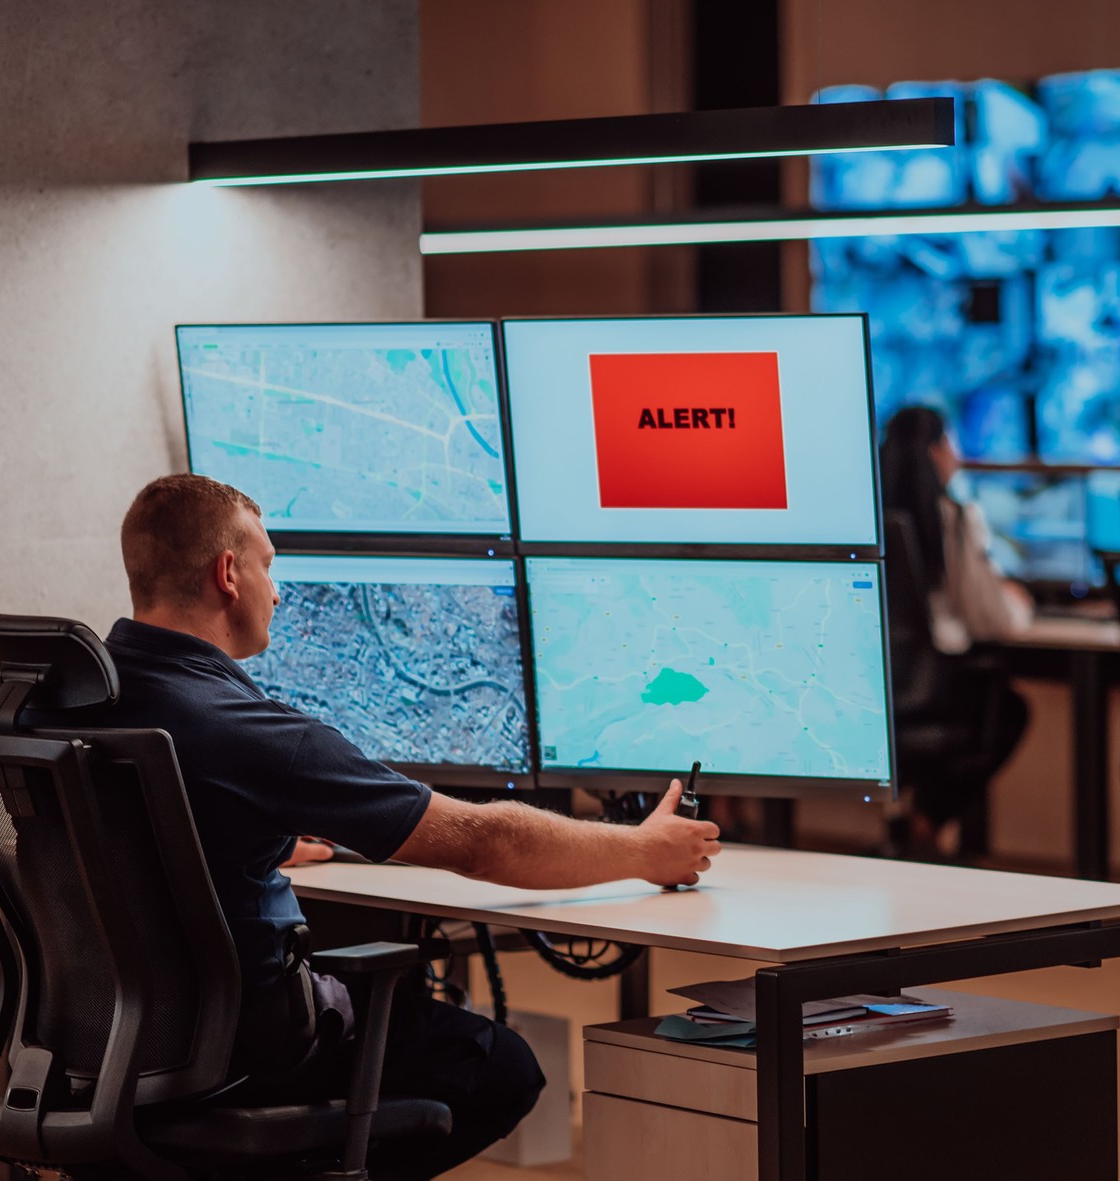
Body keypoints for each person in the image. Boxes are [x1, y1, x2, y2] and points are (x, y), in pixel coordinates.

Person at [56, 474, 721, 1181]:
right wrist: (644, 849)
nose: (275, 593)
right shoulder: (247, 733)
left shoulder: (61, 702)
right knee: (498, 1065)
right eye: (268, 567)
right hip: (250, 1058)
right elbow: (484, 842)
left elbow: (130, 842)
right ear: (228, 574)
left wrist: (252, 841)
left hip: (101, 1054)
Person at [877, 406, 1034, 860]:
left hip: (876, 694)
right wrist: (1018, 602)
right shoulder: (953, 518)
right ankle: (924, 824)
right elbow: (992, 619)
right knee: (1008, 712)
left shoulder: (867, 522)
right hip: (935, 691)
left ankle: (914, 827)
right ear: (937, 452)